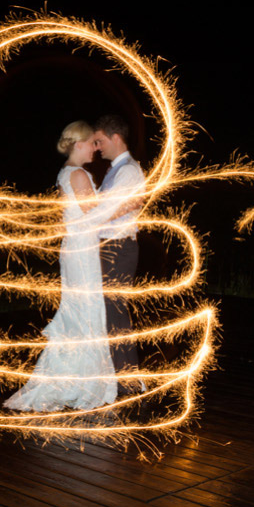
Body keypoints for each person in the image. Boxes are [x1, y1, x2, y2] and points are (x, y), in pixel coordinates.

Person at [4, 121, 131, 413]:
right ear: (78, 144)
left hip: (75, 250)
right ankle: (81, 384)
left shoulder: (65, 172)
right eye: (91, 144)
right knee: (85, 315)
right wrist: (126, 205)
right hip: (82, 253)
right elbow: (96, 216)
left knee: (78, 314)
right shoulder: (79, 175)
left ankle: (72, 379)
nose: (95, 149)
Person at [94, 114, 146, 395]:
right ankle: (123, 381)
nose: (98, 146)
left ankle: (132, 384)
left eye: (100, 141)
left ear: (116, 138)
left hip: (118, 247)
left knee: (115, 316)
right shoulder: (117, 170)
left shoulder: (127, 171)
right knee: (112, 315)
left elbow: (111, 211)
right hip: (110, 247)